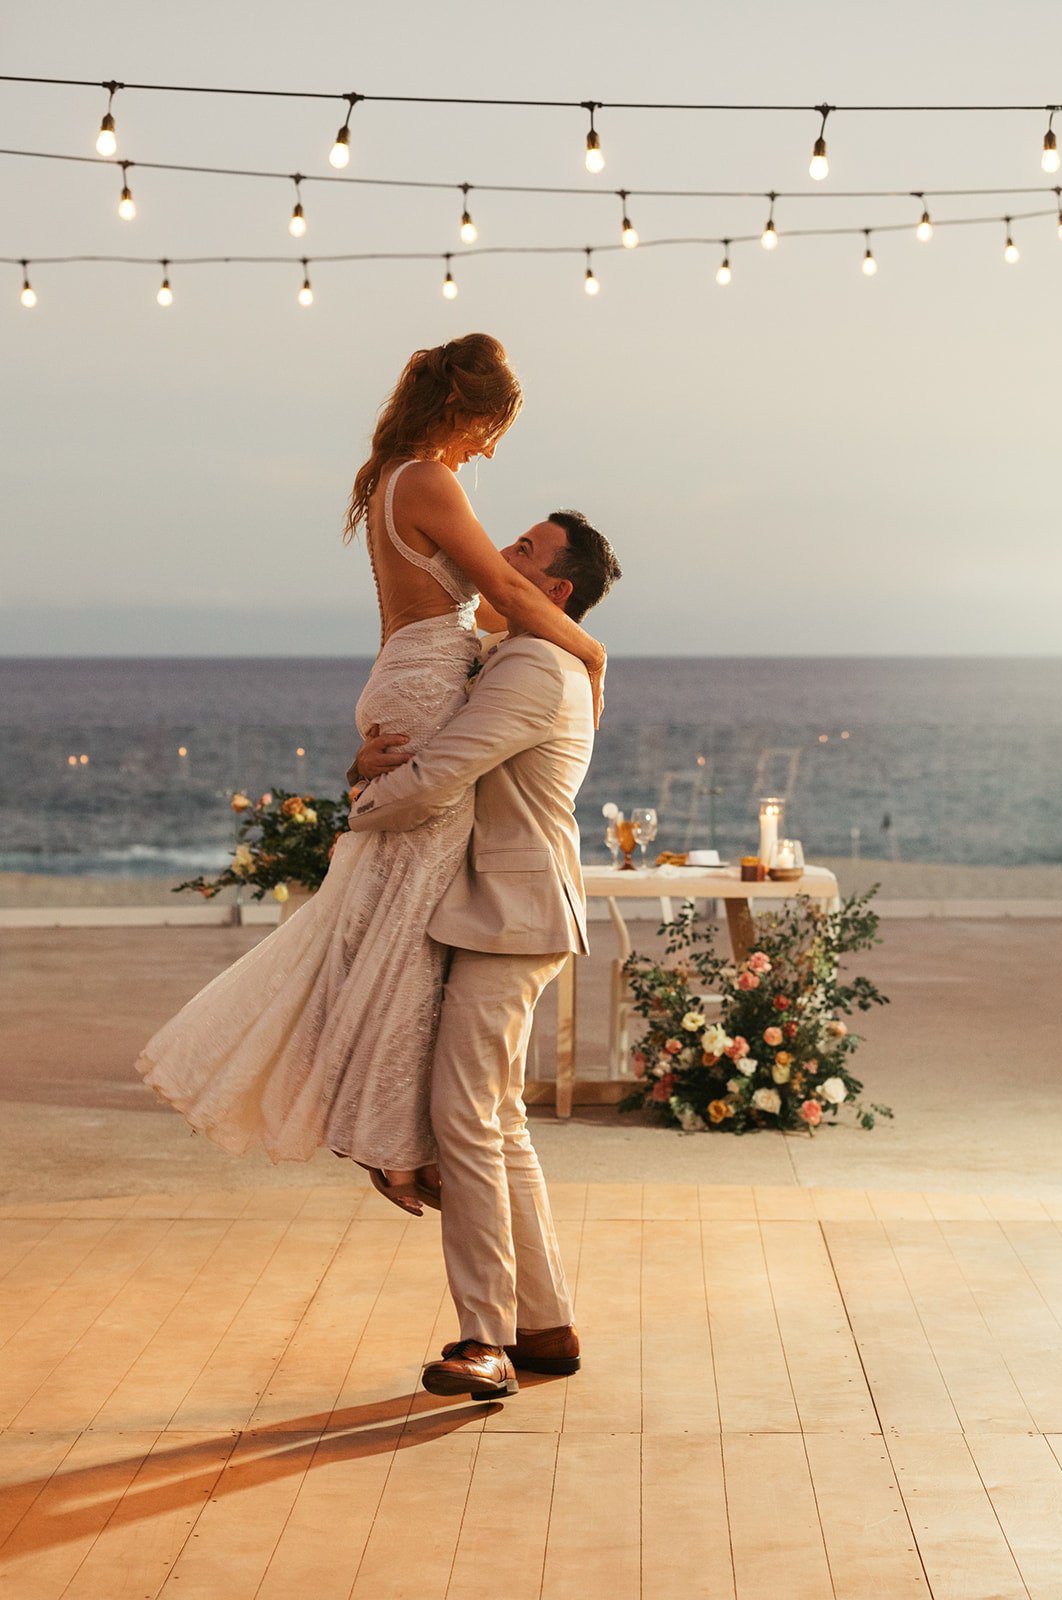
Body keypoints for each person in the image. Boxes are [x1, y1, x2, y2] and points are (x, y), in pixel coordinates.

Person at [135, 334, 607, 1212]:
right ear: (466, 411)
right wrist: (594, 654)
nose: (490, 449)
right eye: (492, 428)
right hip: (426, 678)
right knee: (411, 922)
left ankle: (378, 1121)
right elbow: (507, 599)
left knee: (387, 909)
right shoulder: (428, 480)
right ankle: (385, 1134)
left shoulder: (395, 473)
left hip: (410, 671)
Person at [345, 510, 622, 1401]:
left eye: (523, 553)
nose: (498, 556)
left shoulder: (536, 668)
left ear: (555, 592)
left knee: (464, 1119)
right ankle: (544, 1325)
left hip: (512, 916)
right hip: (509, 912)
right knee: (496, 1122)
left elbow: (435, 776)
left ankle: (484, 1339)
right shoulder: (526, 661)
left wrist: (354, 800)